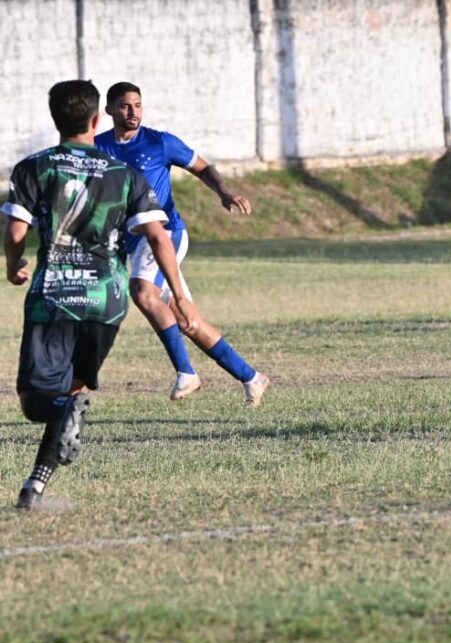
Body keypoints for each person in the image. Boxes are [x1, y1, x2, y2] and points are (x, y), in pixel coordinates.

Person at [3, 80, 197, 509]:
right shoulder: (123, 174)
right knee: (73, 393)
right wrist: (180, 296)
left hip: (54, 297)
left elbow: (16, 231)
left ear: (55, 119)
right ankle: (35, 487)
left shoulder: (34, 167)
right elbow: (158, 236)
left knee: (37, 401)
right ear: (96, 119)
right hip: (105, 301)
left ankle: (47, 451)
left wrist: (13, 265)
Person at [95, 82, 269, 405]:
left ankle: (186, 373)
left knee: (142, 291)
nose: (133, 112)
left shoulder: (160, 142)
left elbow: (202, 167)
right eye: (125, 106)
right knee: (188, 321)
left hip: (167, 233)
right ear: (109, 110)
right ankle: (252, 377)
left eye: (138, 105)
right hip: (134, 243)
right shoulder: (98, 147)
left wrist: (224, 192)